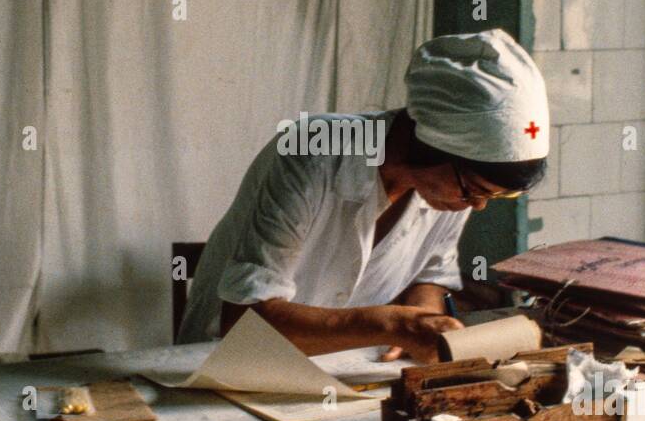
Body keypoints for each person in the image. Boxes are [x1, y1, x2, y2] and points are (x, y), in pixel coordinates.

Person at [176, 28, 550, 363]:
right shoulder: (312, 150)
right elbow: (244, 320)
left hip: (344, 365)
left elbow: (431, 272)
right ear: (430, 142)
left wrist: (424, 318)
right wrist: (385, 322)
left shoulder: (454, 184)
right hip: (225, 366)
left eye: (497, 196)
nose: (478, 205)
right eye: (476, 191)